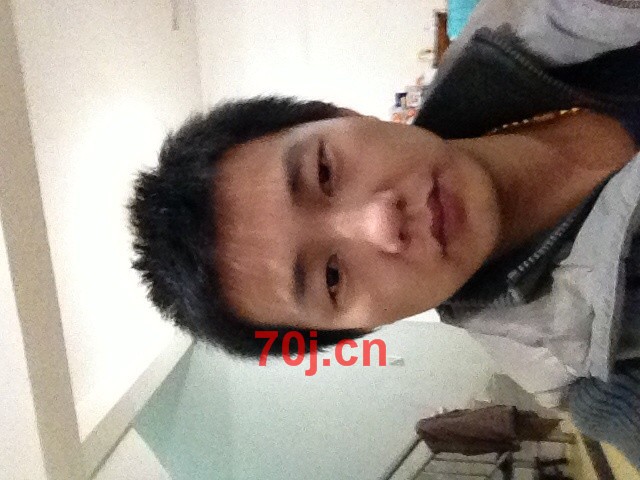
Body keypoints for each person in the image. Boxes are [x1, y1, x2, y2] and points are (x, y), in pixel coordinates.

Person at [128, 0, 640, 465]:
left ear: (341, 116)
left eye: (324, 171)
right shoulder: (600, 373)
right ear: (366, 327)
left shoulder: (529, 19)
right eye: (331, 278)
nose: (381, 223)